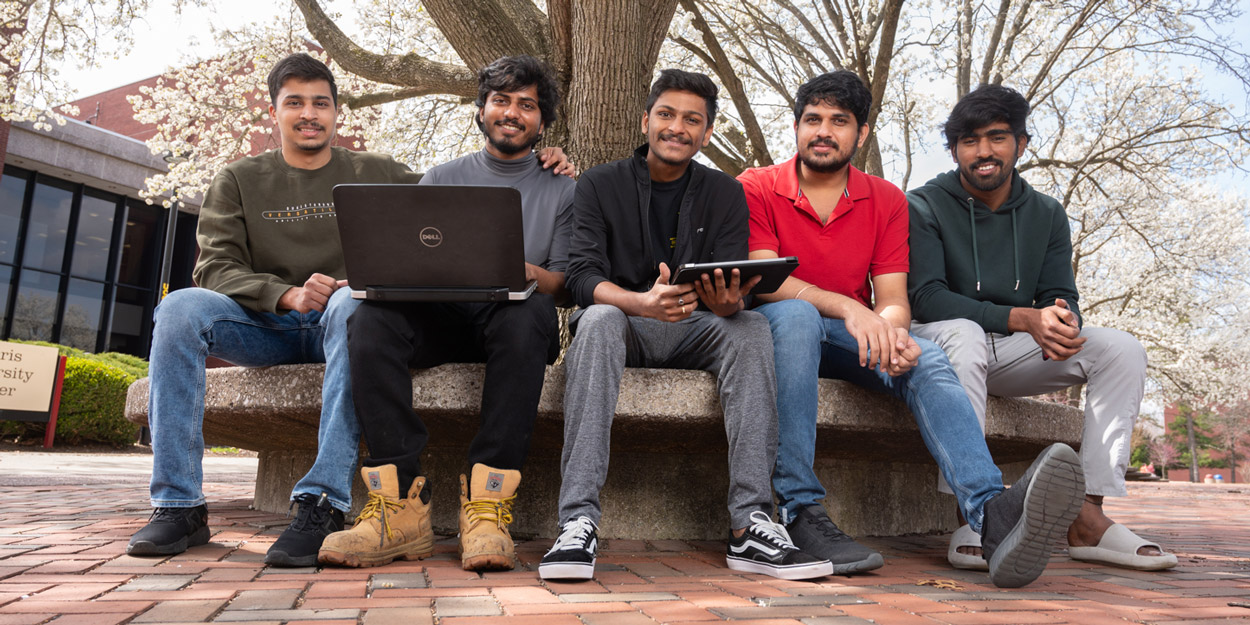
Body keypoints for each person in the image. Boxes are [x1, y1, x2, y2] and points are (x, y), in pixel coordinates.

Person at [125, 53, 570, 567]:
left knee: (353, 302)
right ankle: (179, 505)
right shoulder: (238, 179)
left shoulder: (380, 171)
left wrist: (543, 158)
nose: (309, 113)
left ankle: (322, 502)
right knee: (179, 307)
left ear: (338, 112)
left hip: (346, 319)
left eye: (321, 103)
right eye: (295, 103)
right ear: (275, 111)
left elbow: (460, 202)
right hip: (266, 323)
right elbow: (215, 269)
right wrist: (284, 294)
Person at [739, 70, 1087, 588]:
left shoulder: (885, 199)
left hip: (848, 336)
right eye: (813, 120)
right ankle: (799, 511)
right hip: (780, 327)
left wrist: (894, 333)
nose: (823, 131)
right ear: (795, 127)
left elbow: (896, 300)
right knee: (797, 315)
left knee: (927, 356)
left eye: (840, 121)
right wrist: (854, 311)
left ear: (860, 134)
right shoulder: (758, 186)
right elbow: (767, 282)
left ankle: (991, 514)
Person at [539, 69, 832, 583]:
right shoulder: (598, 184)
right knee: (601, 317)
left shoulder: (724, 192)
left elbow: (730, 286)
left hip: (696, 326)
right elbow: (581, 278)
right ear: (646, 119)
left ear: (707, 133)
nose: (678, 127)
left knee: (750, 328)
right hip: (622, 321)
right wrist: (638, 302)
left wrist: (726, 303)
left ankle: (750, 524)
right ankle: (577, 521)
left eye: (692, 120)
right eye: (667, 115)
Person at [317, 55, 576, 572]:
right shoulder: (440, 176)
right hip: (438, 315)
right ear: (481, 111)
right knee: (366, 318)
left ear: (542, 121)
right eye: (500, 101)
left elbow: (566, 284)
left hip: (511, 320)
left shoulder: (567, 187)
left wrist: (513, 266)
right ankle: (399, 507)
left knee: (529, 317)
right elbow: (412, 258)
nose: (512, 112)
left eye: (527, 105)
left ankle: (488, 506)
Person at [907, 83, 1176, 571]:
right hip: (940, 344)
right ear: (953, 151)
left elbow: (1059, 290)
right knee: (964, 334)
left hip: (1010, 348)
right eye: (969, 141)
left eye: (996, 137)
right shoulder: (922, 204)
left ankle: (1088, 516)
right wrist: (1022, 318)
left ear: (1021, 144)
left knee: (1121, 349)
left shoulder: (1047, 213)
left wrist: (1060, 319)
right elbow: (926, 298)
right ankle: (973, 514)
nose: (983, 151)